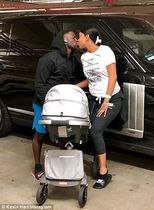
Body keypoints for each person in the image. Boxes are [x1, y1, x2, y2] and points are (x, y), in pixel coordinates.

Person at [32, 30, 83, 180]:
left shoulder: (73, 59)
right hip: (43, 103)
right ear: (64, 40)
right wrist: (48, 104)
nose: (76, 39)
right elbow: (39, 85)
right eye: (73, 37)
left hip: (61, 104)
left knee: (62, 133)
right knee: (40, 134)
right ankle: (37, 166)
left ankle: (60, 166)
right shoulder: (48, 59)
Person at [76, 28, 123, 189]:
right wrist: (73, 87)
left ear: (87, 37)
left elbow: (113, 76)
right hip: (94, 100)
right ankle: (98, 163)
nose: (77, 40)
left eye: (79, 37)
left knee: (95, 130)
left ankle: (104, 173)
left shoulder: (105, 51)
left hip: (112, 99)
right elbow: (91, 80)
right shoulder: (84, 57)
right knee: (90, 131)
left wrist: (106, 101)